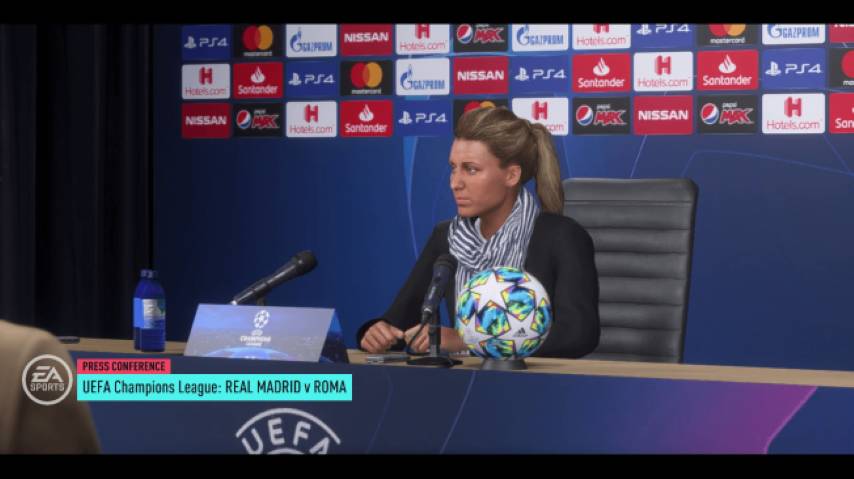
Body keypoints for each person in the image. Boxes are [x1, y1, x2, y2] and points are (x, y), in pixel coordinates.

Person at [357, 106, 600, 359]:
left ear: (511, 175)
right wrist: (377, 333)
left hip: (535, 382)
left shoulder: (562, 236)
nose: (455, 183)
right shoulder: (446, 236)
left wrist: (468, 340)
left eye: (471, 169)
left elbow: (578, 335)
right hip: (465, 381)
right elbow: (399, 323)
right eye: (453, 168)